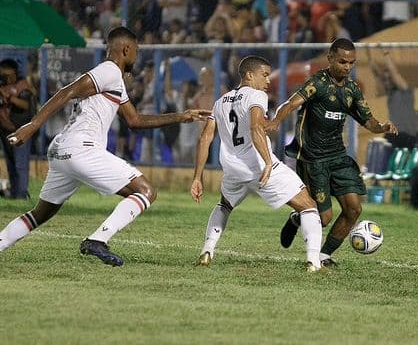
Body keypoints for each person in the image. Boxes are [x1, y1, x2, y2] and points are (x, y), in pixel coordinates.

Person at [0, 27, 210, 266]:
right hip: (81, 149)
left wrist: (181, 116)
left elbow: (135, 120)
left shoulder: (114, 80)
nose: (137, 56)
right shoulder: (108, 70)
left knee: (41, 213)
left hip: (63, 150)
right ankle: (98, 239)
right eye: (136, 51)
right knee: (146, 190)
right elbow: (66, 91)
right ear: (126, 49)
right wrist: (33, 124)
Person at [265, 39, 398, 268]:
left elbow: (368, 120)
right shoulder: (317, 83)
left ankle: (324, 255)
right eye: (342, 61)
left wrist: (383, 127)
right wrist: (276, 120)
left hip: (338, 156)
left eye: (351, 63)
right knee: (324, 218)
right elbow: (290, 103)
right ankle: (298, 218)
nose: (347, 67)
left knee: (354, 209)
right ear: (330, 58)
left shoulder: (352, 89)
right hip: (313, 160)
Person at [190, 55, 323, 272]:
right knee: (308, 206)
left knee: (225, 204)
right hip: (258, 165)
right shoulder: (257, 95)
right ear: (250, 75)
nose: (268, 80)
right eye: (265, 75)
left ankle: (207, 251)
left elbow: (205, 137)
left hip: (232, 169)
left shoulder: (220, 101)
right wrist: (269, 162)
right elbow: (255, 128)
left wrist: (197, 177)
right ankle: (314, 263)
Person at [0, 59, 35, 199]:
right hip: (4, 130)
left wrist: (9, 97)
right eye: (4, 75)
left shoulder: (22, 85)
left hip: (20, 130)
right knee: (11, 164)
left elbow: (26, 105)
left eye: (10, 75)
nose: (8, 78)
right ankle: (15, 194)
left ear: (16, 73)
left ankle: (22, 195)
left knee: (20, 164)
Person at [370, 50, 416, 149]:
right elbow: (378, 76)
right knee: (381, 145)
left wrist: (385, 53)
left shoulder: (405, 90)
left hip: (406, 135)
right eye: (385, 79)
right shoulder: (390, 94)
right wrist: (369, 55)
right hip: (393, 134)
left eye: (389, 78)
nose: (386, 81)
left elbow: (394, 73)